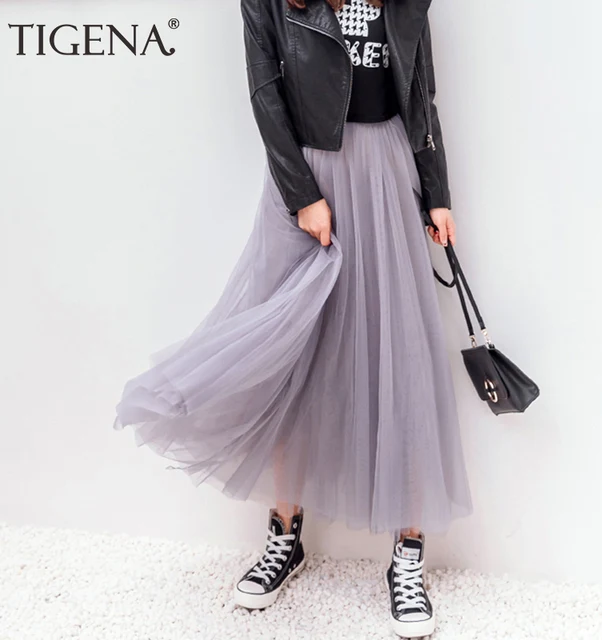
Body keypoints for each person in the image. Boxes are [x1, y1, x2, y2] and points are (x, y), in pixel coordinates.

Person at [113, 0, 473, 636]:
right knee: (289, 358)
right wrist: (303, 195)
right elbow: (266, 92)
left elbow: (421, 94)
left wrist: (436, 191)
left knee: (400, 358)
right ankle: (286, 533)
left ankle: (408, 550)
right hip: (310, 181)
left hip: (386, 174)